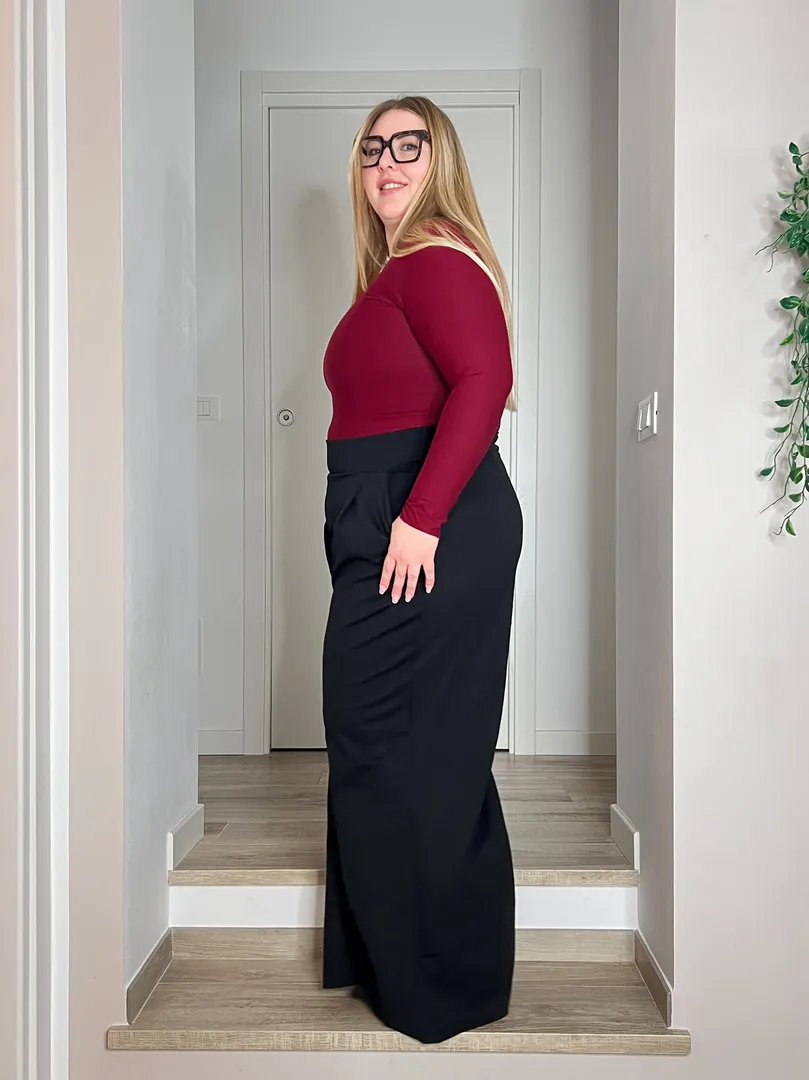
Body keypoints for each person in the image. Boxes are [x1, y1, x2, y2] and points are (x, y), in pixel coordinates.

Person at [320, 95, 523, 1045]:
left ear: (440, 160)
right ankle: (393, 956)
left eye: (410, 145)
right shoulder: (397, 269)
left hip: (425, 521)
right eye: (373, 149)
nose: (387, 162)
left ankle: (440, 982)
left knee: (415, 747)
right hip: (392, 517)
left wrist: (418, 518)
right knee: (388, 741)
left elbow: (486, 381)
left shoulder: (437, 254)